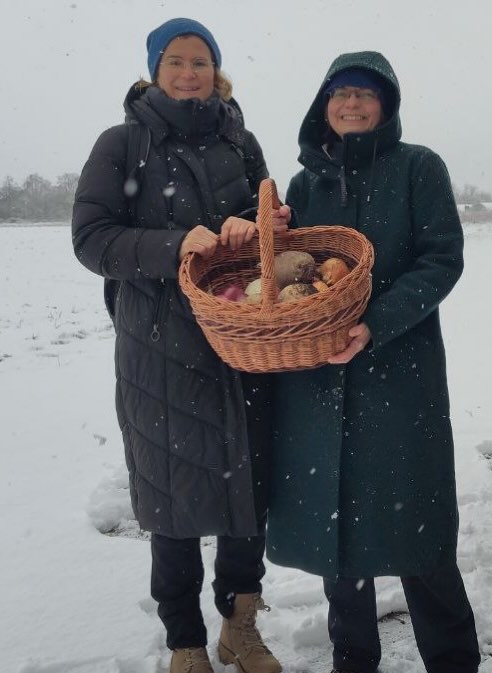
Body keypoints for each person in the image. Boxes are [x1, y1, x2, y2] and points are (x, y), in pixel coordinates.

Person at [71, 18, 282, 673]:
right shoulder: (122, 144)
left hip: (241, 339)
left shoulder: (239, 139)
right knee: (173, 499)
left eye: (200, 61)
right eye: (176, 61)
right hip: (159, 349)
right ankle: (184, 640)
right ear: (155, 70)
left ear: (215, 71)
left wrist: (270, 223)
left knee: (247, 495)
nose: (189, 72)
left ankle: (239, 628)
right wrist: (172, 244)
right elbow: (92, 238)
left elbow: (262, 223)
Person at [264, 51, 481, 673]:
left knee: (421, 534)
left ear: (385, 106)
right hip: (319, 383)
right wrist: (277, 236)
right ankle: (352, 659)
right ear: (324, 105)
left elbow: (442, 259)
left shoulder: (418, 168)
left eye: (365, 94)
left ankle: (453, 658)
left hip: (400, 376)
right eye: (341, 94)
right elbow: (292, 277)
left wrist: (375, 324)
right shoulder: (306, 184)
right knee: (340, 540)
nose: (352, 104)